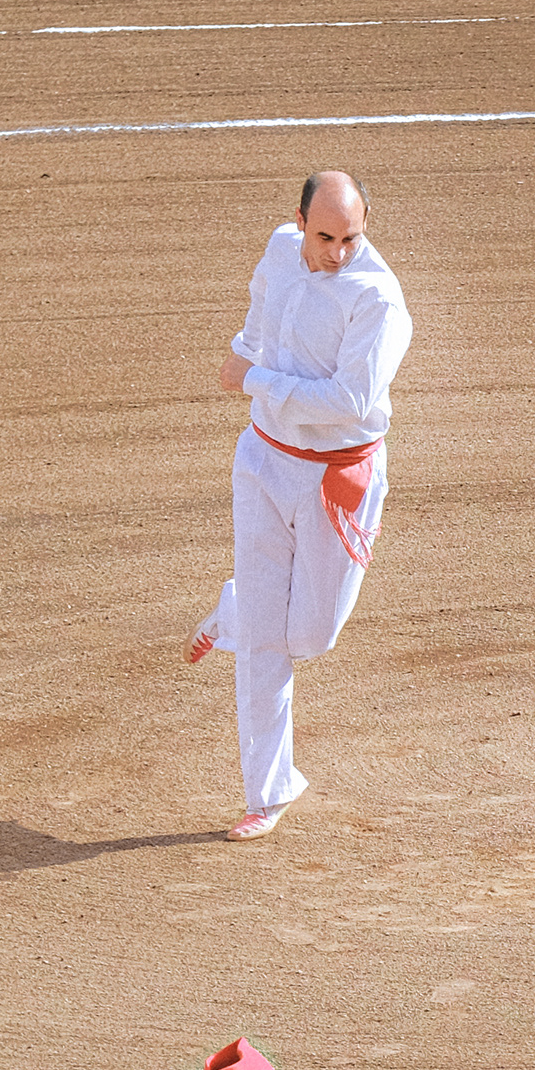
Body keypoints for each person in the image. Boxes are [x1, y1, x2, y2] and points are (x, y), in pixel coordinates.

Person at [186, 170, 413, 840]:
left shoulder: (377, 300)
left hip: (337, 480)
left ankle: (234, 612)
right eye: (325, 236)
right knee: (266, 641)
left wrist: (253, 378)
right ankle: (268, 790)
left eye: (352, 237)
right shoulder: (280, 249)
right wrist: (244, 354)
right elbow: (260, 318)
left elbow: (349, 403)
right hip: (263, 461)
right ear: (299, 220)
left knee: (311, 636)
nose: (338, 252)